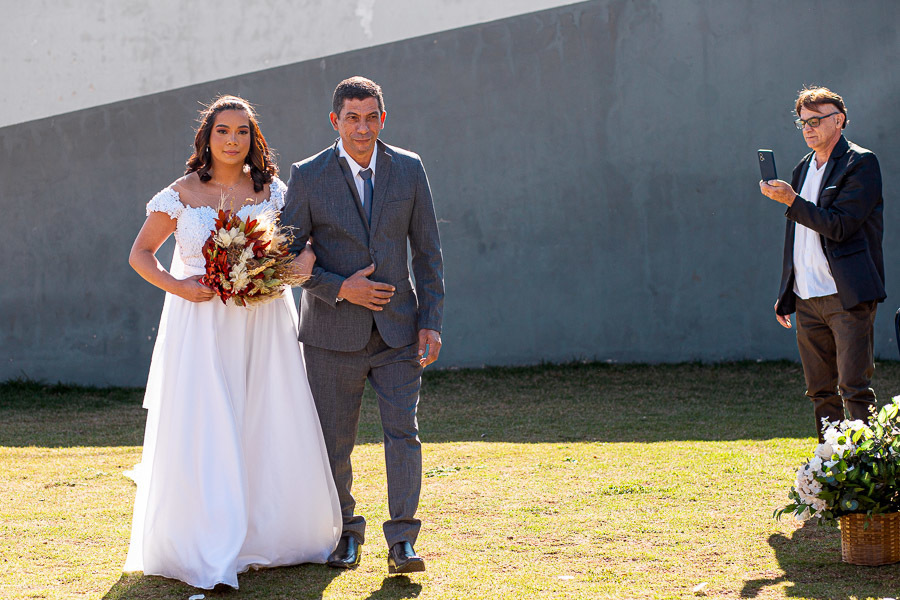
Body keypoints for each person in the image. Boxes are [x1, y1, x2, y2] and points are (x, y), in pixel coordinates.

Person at [125, 95, 341, 590]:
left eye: (242, 131)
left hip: (263, 321)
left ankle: (270, 533)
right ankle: (210, 544)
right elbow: (140, 254)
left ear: (253, 138)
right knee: (211, 424)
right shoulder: (180, 193)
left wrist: (301, 263)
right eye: (223, 131)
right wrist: (179, 286)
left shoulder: (273, 191)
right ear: (207, 138)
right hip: (201, 323)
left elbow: (303, 243)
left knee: (266, 415)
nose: (232, 140)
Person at [281, 76, 444, 574]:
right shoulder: (308, 175)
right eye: (352, 118)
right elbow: (285, 258)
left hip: (399, 332)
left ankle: (403, 541)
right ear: (335, 121)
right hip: (331, 336)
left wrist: (431, 321)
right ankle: (346, 534)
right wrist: (339, 288)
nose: (362, 127)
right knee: (334, 443)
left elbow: (428, 252)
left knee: (404, 435)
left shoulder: (409, 168)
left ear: (383, 118)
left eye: (371, 117)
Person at [760, 86, 885, 441]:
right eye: (802, 122)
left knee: (854, 388)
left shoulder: (860, 163)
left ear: (839, 120)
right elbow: (796, 236)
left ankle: (865, 465)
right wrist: (787, 290)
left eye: (816, 121)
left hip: (846, 295)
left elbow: (841, 226)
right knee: (820, 391)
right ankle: (830, 462)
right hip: (806, 297)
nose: (808, 128)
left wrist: (792, 200)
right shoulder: (803, 167)